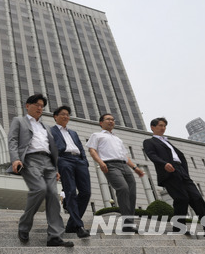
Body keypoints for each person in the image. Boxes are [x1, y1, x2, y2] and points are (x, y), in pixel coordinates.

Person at [143, 117, 205, 238]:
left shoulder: (167, 142)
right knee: (182, 198)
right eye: (160, 125)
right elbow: (151, 155)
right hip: (169, 172)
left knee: (197, 198)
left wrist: (185, 172)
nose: (163, 128)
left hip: (181, 172)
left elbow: (180, 157)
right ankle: (179, 227)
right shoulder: (149, 142)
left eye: (164, 126)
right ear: (153, 127)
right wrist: (164, 164)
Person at [8, 94, 74, 247]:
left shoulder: (45, 127)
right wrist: (15, 159)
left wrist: (55, 168)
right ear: (27, 105)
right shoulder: (19, 121)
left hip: (48, 163)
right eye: (37, 105)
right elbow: (12, 140)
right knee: (40, 189)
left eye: (42, 106)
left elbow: (51, 147)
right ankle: (24, 226)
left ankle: (55, 237)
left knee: (53, 196)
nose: (40, 108)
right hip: (30, 160)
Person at [86, 113, 144, 233]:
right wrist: (100, 162)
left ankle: (130, 222)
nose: (111, 121)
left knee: (132, 193)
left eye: (113, 119)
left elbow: (125, 156)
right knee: (123, 188)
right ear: (101, 123)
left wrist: (135, 168)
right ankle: (127, 223)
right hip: (110, 165)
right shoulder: (96, 135)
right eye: (108, 119)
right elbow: (92, 150)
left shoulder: (118, 139)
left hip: (124, 166)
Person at [51, 105, 91, 238]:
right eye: (62, 114)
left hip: (79, 161)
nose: (65, 116)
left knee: (86, 192)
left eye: (67, 114)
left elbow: (80, 147)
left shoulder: (73, 132)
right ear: (55, 116)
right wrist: (55, 167)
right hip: (64, 160)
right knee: (71, 192)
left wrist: (84, 161)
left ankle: (71, 225)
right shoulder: (50, 131)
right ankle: (79, 226)